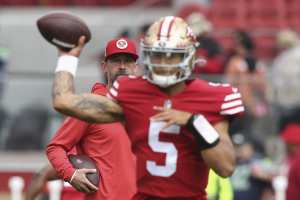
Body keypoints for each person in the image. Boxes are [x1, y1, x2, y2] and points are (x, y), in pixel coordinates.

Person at [50, 16, 244, 199]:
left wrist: (195, 122)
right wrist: (67, 57)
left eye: (171, 57)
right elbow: (63, 102)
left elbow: (226, 167)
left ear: (190, 57)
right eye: (157, 55)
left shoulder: (212, 96)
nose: (163, 63)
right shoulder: (131, 93)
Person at [46, 37, 139, 200]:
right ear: (104, 66)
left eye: (128, 61)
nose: (123, 66)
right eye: (116, 61)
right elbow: (55, 147)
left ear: (136, 67)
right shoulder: (91, 105)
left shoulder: (145, 107)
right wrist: (71, 174)